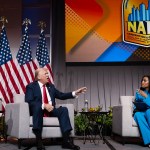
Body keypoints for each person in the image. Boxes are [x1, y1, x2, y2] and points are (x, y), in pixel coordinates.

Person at [25, 68, 87, 150]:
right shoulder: (31, 87)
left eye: (47, 73)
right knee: (38, 107)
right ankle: (39, 141)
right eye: (45, 74)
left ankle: (66, 141)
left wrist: (75, 93)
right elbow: (29, 101)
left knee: (63, 110)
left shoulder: (51, 86)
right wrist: (44, 105)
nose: (48, 75)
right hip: (38, 110)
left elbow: (61, 95)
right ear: (39, 77)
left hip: (51, 110)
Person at [133, 75, 150, 146]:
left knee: (148, 111)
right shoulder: (138, 92)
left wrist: (145, 96)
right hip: (140, 111)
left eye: (145, 80)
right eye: (142, 80)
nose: (142, 82)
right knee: (137, 115)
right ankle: (149, 141)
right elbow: (136, 104)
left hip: (148, 111)